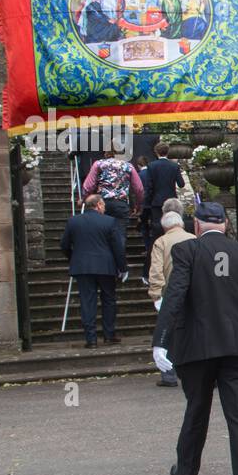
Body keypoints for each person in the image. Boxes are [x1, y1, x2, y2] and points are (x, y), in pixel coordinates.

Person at [153, 201, 238, 475]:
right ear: (225, 224)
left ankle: (187, 473)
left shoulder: (187, 251)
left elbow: (175, 295)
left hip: (197, 344)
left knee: (197, 408)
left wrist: (161, 339)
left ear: (196, 227)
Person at [59, 194, 127, 348]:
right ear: (98, 205)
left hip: (83, 267)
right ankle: (109, 334)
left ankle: (91, 339)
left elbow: (64, 245)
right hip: (106, 266)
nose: (104, 208)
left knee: (87, 301)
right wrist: (122, 267)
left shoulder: (74, 221)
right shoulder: (110, 221)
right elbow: (118, 247)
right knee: (109, 300)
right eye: (103, 205)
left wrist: (74, 258)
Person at [148, 199, 196, 387]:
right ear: (182, 223)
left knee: (168, 331)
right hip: (193, 292)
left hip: (170, 292)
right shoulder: (193, 239)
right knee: (194, 330)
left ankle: (169, 374)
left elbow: (156, 271)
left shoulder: (161, 241)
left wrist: (156, 294)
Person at [82, 151, 144, 279]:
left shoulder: (98, 164)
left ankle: (102, 266)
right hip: (121, 204)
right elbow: (139, 189)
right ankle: (120, 267)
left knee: (101, 235)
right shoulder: (128, 166)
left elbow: (88, 186)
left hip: (101, 204)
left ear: (106, 152)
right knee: (120, 235)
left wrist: (84, 199)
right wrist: (138, 205)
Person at [142, 144, 186, 254]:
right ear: (168, 152)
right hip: (172, 202)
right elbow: (181, 184)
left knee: (157, 228)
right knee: (174, 226)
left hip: (156, 202)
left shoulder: (151, 166)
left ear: (156, 152)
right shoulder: (174, 166)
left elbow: (149, 187)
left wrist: (146, 203)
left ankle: (159, 251)